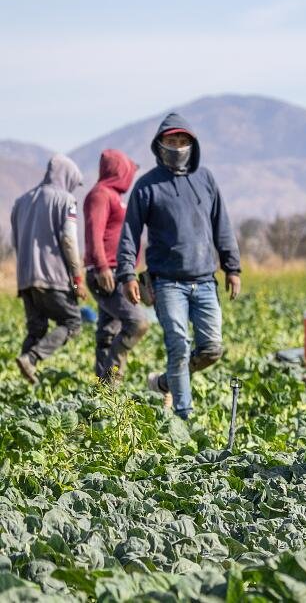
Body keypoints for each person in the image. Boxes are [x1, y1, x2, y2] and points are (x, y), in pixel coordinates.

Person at [117, 113, 241, 419]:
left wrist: (232, 267)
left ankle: (163, 382)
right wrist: (127, 273)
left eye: (182, 141)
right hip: (166, 282)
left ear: (192, 144)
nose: (177, 146)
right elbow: (130, 232)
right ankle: (184, 416)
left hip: (205, 279)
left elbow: (221, 224)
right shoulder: (147, 186)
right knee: (178, 345)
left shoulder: (205, 179)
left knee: (212, 348)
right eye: (171, 141)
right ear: (160, 145)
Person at [10, 154, 87, 383]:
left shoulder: (21, 202)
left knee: (37, 329)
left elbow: (16, 242)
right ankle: (32, 358)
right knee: (72, 323)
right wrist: (77, 279)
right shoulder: (66, 201)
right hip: (53, 276)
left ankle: (22, 377)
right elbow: (69, 241)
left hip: (26, 278)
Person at [84, 149, 149, 380]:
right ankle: (110, 381)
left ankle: (102, 397)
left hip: (115, 271)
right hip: (107, 273)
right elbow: (94, 232)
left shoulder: (113, 196)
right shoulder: (100, 194)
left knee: (107, 332)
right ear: (120, 170)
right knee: (137, 322)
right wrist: (102, 266)